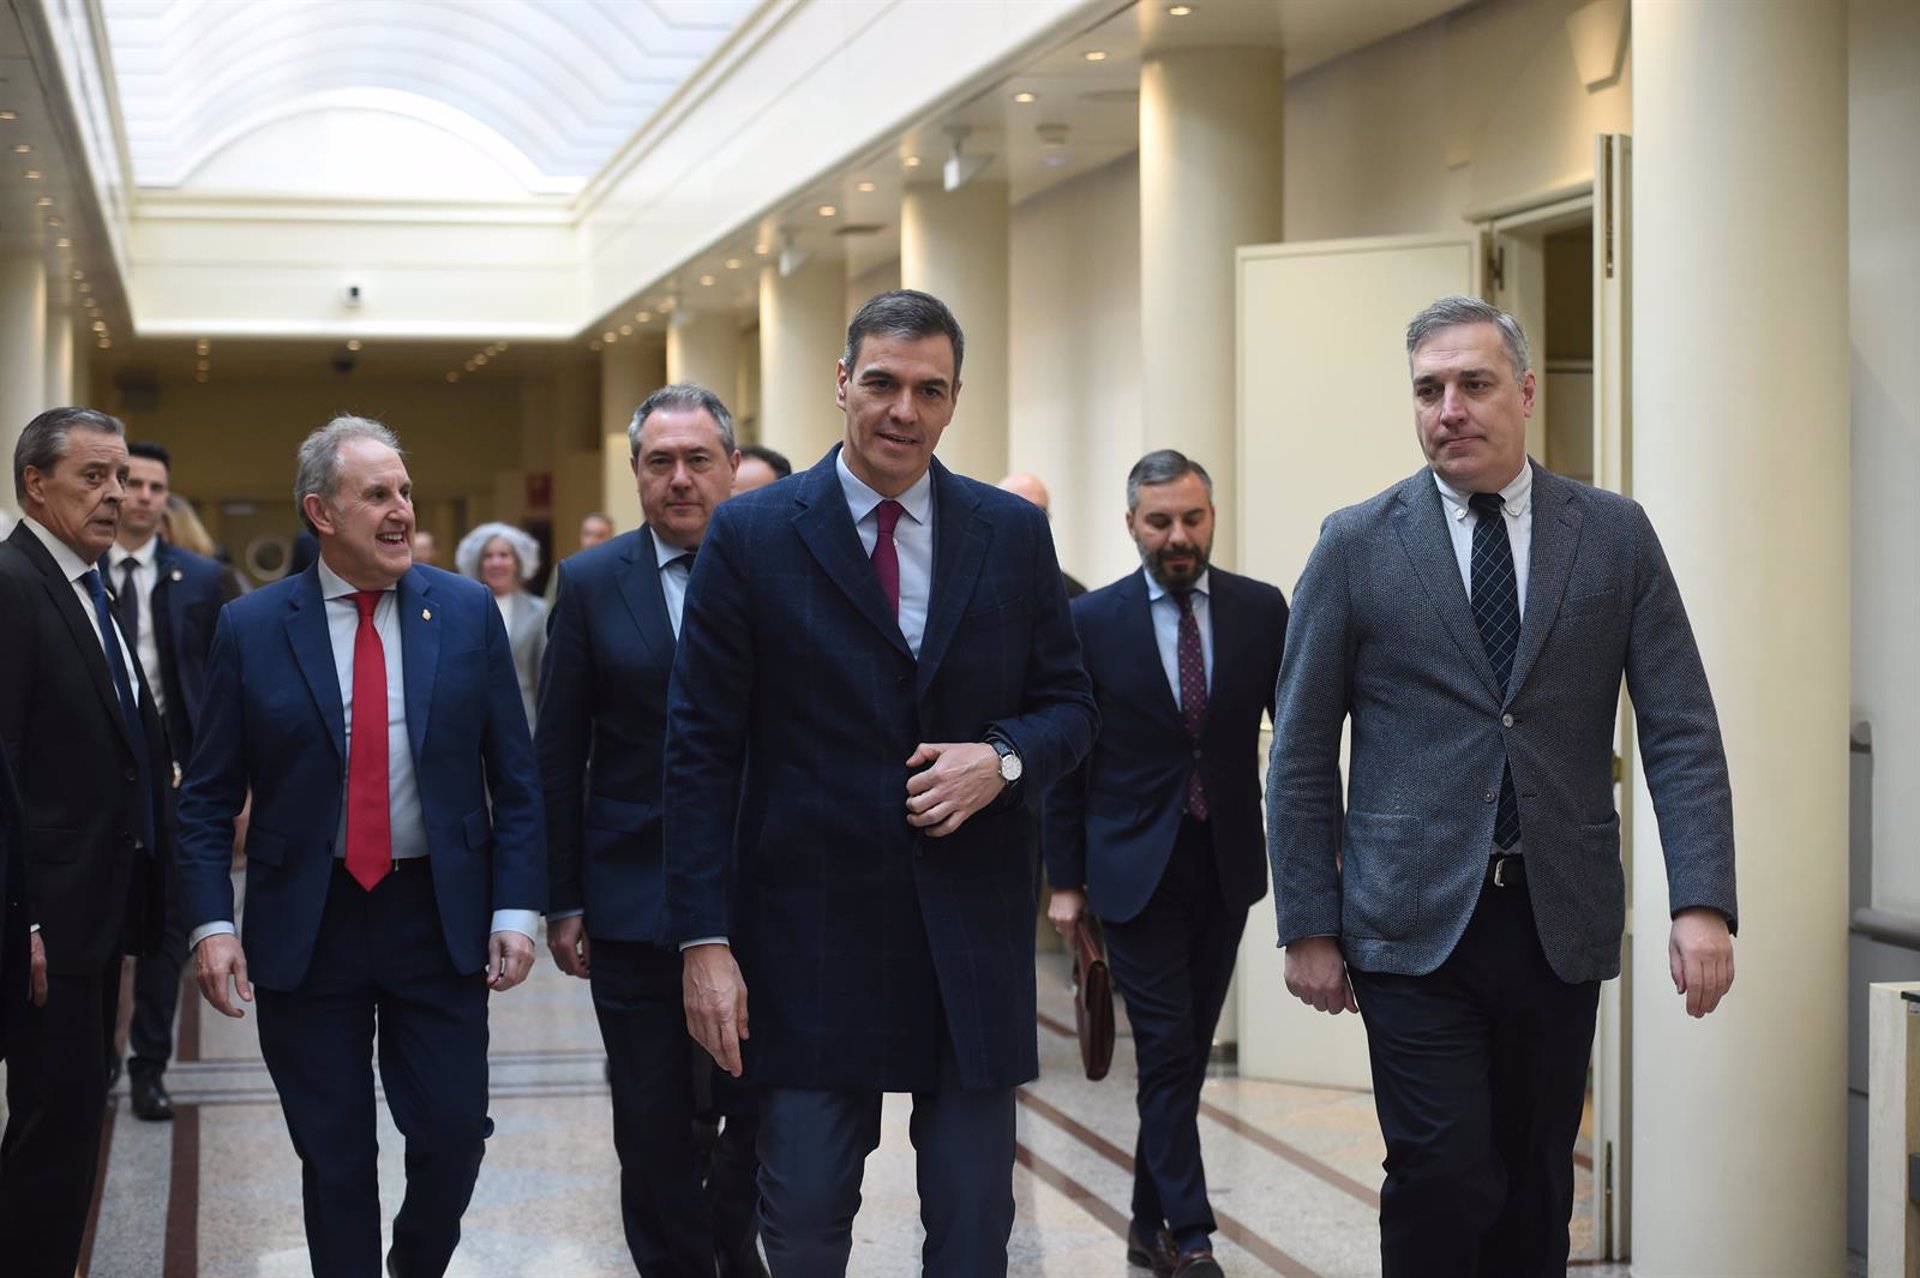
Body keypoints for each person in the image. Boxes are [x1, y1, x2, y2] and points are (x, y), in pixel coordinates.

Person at [1269, 295, 1738, 1277]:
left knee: (1534, 1189)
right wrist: (1308, 921)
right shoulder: (1355, 543)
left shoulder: (1613, 536)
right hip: (1409, 925)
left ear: (1524, 393)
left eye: (1473, 385)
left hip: (1554, 920)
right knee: (1442, 1173)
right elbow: (1302, 750)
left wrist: (1701, 901)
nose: (1450, 409)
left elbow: (1681, 729)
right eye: (1428, 390)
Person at [665, 289, 1097, 1277]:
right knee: (804, 1225)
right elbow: (698, 751)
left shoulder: (1009, 532)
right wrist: (704, 942)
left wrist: (1001, 759)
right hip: (809, 938)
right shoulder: (753, 534)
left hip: (969, 937)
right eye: (883, 383)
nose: (904, 410)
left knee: (974, 1232)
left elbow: (1072, 708)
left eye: (929, 390)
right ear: (842, 383)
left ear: (955, 400)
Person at [176, 415, 546, 1278]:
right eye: (376, 495)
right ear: (321, 512)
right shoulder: (252, 626)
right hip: (310, 922)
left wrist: (516, 909)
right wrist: (211, 925)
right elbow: (206, 799)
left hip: (437, 915)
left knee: (453, 1131)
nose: (401, 511)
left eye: (405, 492)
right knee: (334, 1151)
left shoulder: (465, 612)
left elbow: (518, 780)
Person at [539, 383, 767, 1278]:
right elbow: (559, 754)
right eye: (660, 461)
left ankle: (733, 1249)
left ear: (731, 466)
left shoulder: (779, 569)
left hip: (766, 893)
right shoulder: (592, 583)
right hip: (634, 899)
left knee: (762, 1112)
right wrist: (563, 898)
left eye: (698, 459)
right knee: (653, 1123)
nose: (680, 478)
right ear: (635, 472)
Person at [1043, 449, 1288, 1278]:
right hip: (1130, 867)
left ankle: (1145, 1225)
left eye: (1192, 518)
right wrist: (1065, 882)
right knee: (1169, 1050)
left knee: (1185, 1047)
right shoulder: (1090, 621)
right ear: (1131, 525)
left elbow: (1294, 734)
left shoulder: (1261, 610)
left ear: (1211, 517)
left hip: (1225, 861)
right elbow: (1067, 763)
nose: (1178, 536)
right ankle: (1193, 1233)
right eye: (1159, 522)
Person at [0, 407, 168, 1277]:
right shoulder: (14, 585)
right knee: (52, 1129)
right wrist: (20, 916)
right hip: (47, 920)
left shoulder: (85, 586)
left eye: (121, 477)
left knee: (71, 1121)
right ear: (36, 485)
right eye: (94, 477)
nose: (116, 496)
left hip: (94, 910)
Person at [105, 440, 232, 1122]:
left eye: (158, 486)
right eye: (136, 484)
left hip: (179, 781)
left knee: (166, 930)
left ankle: (149, 1066)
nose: (147, 497)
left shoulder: (200, 579)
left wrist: (235, 781)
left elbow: (222, 688)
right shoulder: (81, 573)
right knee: (100, 923)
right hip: (99, 783)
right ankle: (98, 1056)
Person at [455, 521, 546, 731]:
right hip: (472, 724)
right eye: (488, 556)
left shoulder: (538, 611)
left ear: (517, 562)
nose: (496, 563)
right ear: (478, 564)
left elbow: (544, 677)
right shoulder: (462, 610)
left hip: (525, 723)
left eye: (504, 555)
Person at [997, 471, 1086, 598]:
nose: (1029, 524)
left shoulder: (1070, 593)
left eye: (1039, 514)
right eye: (1019, 513)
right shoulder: (971, 581)